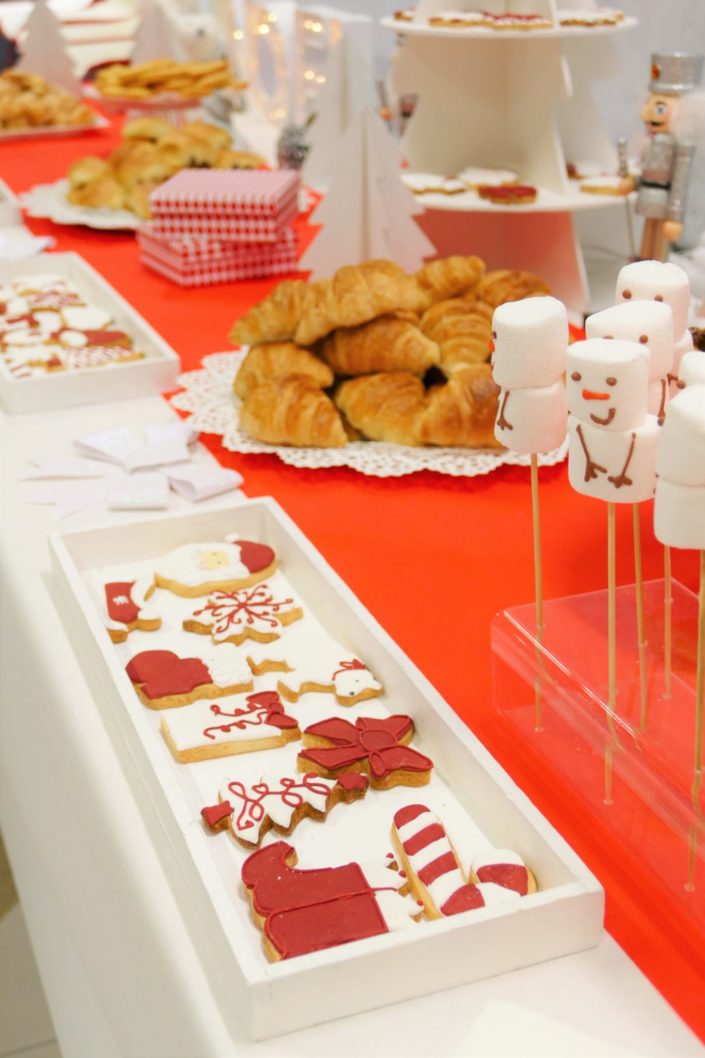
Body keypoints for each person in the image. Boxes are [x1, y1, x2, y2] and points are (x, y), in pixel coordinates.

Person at [620, 52, 705, 260]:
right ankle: (642, 270)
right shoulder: (650, 141)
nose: (647, 113)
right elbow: (648, 171)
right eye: (649, 104)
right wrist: (634, 181)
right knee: (646, 237)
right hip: (650, 201)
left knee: (659, 246)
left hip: (665, 203)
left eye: (658, 108)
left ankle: (657, 276)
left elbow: (679, 184)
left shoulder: (681, 147)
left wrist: (675, 217)